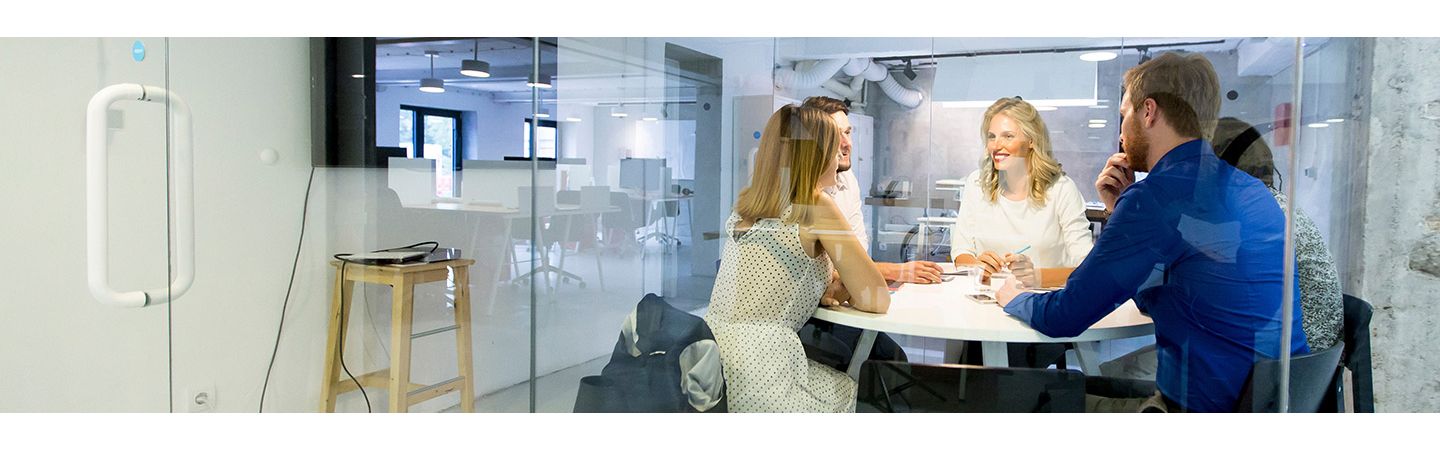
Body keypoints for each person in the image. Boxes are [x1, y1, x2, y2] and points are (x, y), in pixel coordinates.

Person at [993, 52, 1309, 413]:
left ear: (1149, 111)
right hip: (1271, 405)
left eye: (1125, 115)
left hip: (1197, 413)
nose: (1121, 132)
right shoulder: (1250, 191)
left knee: (1012, 397)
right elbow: (1156, 294)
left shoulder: (1156, 197)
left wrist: (1014, 296)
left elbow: (1064, 316)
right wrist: (1119, 210)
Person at [1099, 117, 1344, 380]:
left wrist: (1122, 211)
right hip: (1303, 371)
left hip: (1267, 376)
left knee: (1115, 375)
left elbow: (1150, 295)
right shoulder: (1269, 206)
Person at [705, 105, 890, 412]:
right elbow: (877, 298)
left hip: (714, 362)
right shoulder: (817, 206)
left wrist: (832, 283)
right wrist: (843, 285)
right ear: (815, 155)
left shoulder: (747, 205)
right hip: (763, 372)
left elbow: (782, 276)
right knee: (868, 395)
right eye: (833, 147)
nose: (841, 157)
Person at [796, 96, 931, 370]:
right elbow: (840, 272)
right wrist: (894, 271)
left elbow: (854, 258)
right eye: (835, 135)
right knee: (880, 362)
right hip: (804, 316)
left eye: (847, 132)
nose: (846, 144)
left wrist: (848, 276)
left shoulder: (847, 180)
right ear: (813, 143)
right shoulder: (804, 198)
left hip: (834, 303)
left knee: (892, 359)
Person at [950, 97, 1094, 288]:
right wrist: (978, 266)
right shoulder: (977, 184)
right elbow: (961, 251)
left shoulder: (1061, 189)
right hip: (985, 302)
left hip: (1043, 305)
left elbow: (1089, 268)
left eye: (1008, 136)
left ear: (1031, 141)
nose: (996, 145)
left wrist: (1036, 277)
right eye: (992, 136)